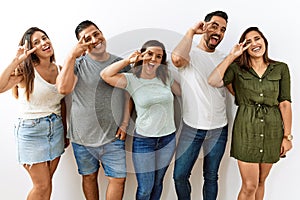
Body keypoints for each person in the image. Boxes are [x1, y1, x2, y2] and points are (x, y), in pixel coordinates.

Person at [208, 26, 292, 200]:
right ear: (244, 47)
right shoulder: (237, 69)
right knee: (249, 186)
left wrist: (287, 137)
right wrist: (232, 56)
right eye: (248, 41)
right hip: (246, 129)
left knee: (261, 182)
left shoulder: (280, 68)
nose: (254, 43)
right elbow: (213, 80)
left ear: (264, 42)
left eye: (257, 38)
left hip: (273, 130)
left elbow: (284, 103)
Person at [56, 20, 132, 200]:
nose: (94, 39)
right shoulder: (77, 64)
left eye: (96, 33)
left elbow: (128, 95)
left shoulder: (120, 63)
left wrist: (124, 123)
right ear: (81, 44)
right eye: (86, 38)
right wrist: (70, 56)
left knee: (118, 179)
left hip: (113, 136)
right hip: (82, 137)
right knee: (89, 177)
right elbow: (62, 89)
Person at [100, 39, 181, 200]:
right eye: (149, 54)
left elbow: (182, 92)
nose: (153, 59)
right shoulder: (131, 79)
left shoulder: (166, 77)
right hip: (144, 141)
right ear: (141, 54)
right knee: (145, 188)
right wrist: (128, 60)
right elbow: (105, 75)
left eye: (158, 56)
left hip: (167, 139)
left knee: (158, 183)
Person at [0, 27, 68, 200]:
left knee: (47, 185)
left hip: (56, 129)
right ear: (31, 50)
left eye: (45, 38)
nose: (44, 43)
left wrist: (65, 132)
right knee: (42, 186)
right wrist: (16, 60)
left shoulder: (60, 70)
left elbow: (62, 103)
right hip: (31, 131)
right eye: (36, 42)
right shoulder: (26, 72)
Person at [171, 10, 229, 200]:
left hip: (219, 128)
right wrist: (190, 32)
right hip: (192, 127)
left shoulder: (223, 57)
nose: (218, 32)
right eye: (214, 26)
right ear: (204, 26)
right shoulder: (190, 53)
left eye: (223, 30)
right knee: (180, 176)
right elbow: (177, 59)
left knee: (211, 177)